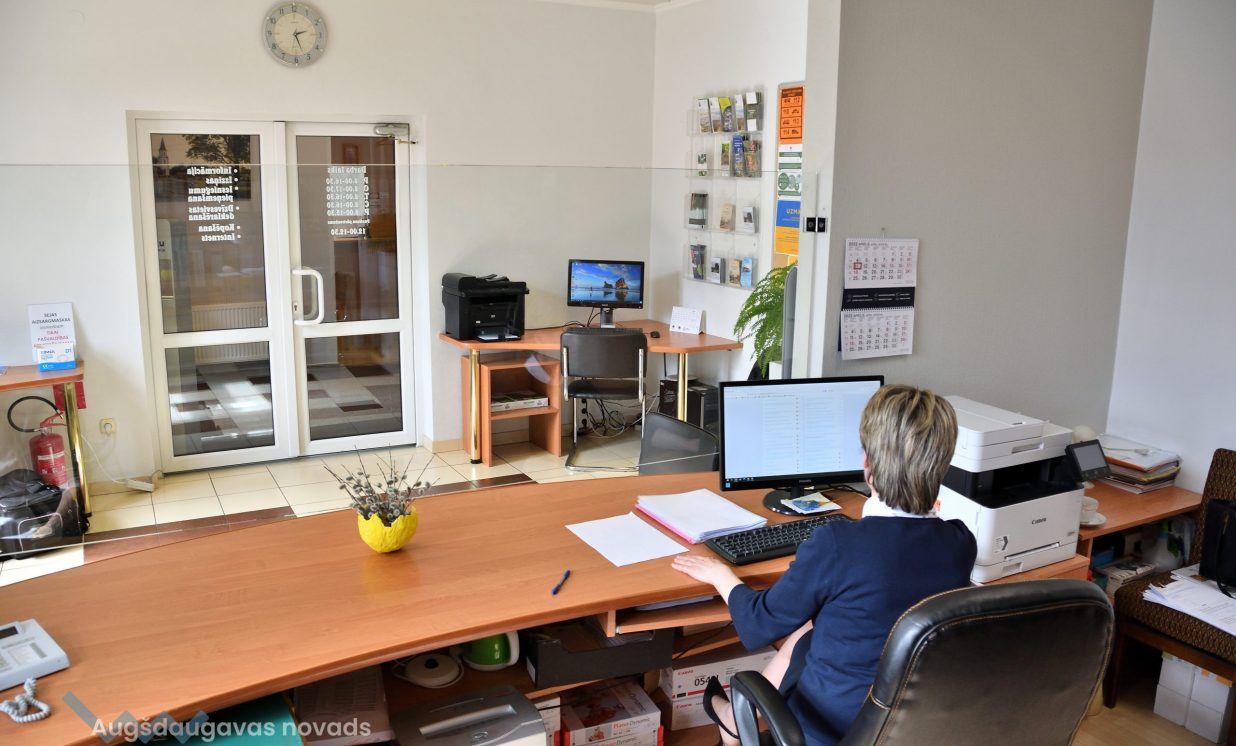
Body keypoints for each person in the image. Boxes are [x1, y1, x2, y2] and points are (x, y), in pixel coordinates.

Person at [672, 384, 977, 746]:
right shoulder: (960, 542)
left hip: (828, 729)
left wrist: (721, 575)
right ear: (941, 467)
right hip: (908, 726)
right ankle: (735, 722)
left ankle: (735, 722)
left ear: (867, 464)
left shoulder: (839, 544)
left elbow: (758, 625)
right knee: (812, 624)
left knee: (809, 619)